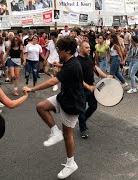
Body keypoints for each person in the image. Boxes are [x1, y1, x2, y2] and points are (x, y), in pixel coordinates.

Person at [23, 37, 85, 179]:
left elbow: (53, 81)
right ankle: (55, 131)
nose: (57, 52)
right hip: (63, 98)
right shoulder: (71, 62)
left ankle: (71, 164)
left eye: (59, 50)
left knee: (67, 135)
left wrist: (32, 89)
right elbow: (66, 69)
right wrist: (59, 65)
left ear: (68, 51)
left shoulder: (73, 65)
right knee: (41, 107)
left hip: (72, 105)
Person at [77, 41, 112, 138]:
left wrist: (105, 76)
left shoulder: (89, 58)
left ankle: (83, 120)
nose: (89, 49)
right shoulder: (77, 61)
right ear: (80, 49)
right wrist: (88, 87)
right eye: (86, 48)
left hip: (91, 87)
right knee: (82, 110)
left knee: (93, 106)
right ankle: (83, 129)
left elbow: (95, 67)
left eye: (89, 47)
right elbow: (78, 79)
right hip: (81, 89)